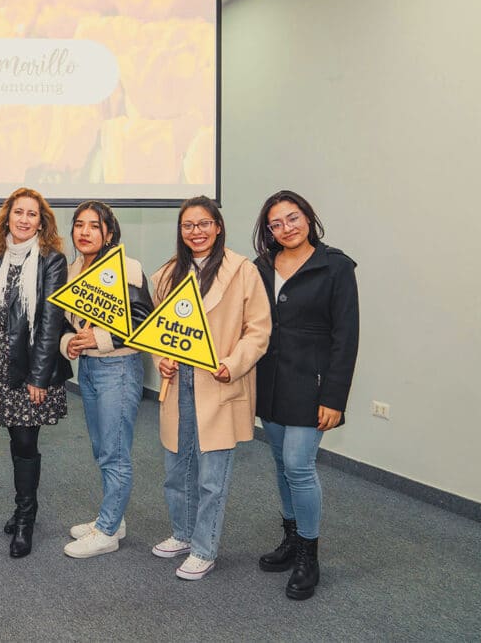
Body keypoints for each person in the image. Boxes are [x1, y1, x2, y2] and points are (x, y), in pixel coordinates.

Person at [150, 195, 271, 580]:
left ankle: (205, 548)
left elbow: (259, 330)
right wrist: (161, 359)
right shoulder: (168, 274)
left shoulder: (241, 271)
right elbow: (158, 331)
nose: (196, 232)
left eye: (204, 224)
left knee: (211, 476)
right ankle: (183, 534)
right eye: (188, 226)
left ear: (218, 227)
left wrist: (232, 364)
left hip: (218, 382)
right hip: (178, 382)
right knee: (177, 467)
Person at [252, 190, 359, 600]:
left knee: (298, 464)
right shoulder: (261, 266)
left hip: (312, 384)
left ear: (309, 218)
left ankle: (309, 555)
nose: (286, 228)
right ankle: (292, 538)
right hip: (271, 379)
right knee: (280, 463)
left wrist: (334, 398)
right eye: (276, 224)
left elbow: (346, 336)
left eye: (293, 219)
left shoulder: (335, 267)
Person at [0, 187, 71, 558]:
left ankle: (26, 518)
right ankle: (22, 506)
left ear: (41, 222)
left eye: (32, 214)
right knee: (14, 439)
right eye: (19, 212)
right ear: (7, 217)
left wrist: (39, 375)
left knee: (26, 442)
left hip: (30, 364)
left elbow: (50, 320)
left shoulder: (51, 259)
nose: (24, 219)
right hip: (0, 362)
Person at [60, 201, 153, 558]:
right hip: (89, 370)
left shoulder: (127, 269)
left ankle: (108, 531)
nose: (84, 232)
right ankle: (114, 517)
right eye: (79, 225)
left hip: (120, 367)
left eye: (94, 226)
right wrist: (71, 342)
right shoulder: (70, 271)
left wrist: (100, 339)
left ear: (109, 233)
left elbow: (143, 319)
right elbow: (65, 324)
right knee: (102, 448)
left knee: (115, 452)